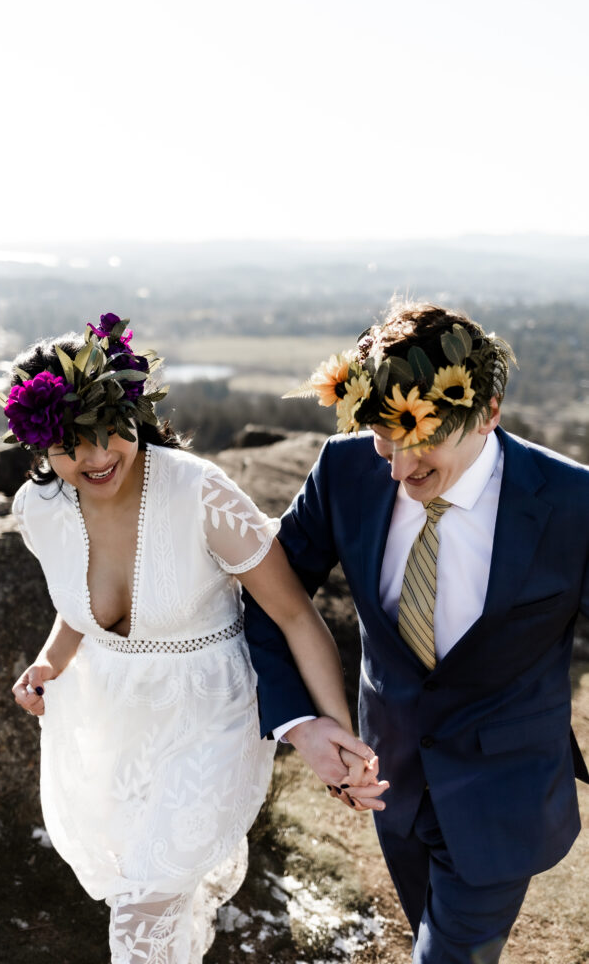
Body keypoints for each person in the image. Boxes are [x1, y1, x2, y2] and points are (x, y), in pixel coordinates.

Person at [0, 312, 386, 964]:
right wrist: (46, 666)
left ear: (132, 411)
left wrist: (333, 727)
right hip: (108, 722)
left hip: (211, 717)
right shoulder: (37, 512)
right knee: (144, 887)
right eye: (70, 444)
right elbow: (77, 611)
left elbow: (293, 614)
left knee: (140, 910)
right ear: (38, 445)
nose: (94, 458)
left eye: (105, 433)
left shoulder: (199, 492)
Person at [243, 300, 589, 964]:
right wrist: (300, 724)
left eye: (418, 442)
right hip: (388, 780)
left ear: (486, 410)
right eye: (383, 441)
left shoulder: (573, 504)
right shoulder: (343, 473)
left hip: (504, 794)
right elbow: (266, 602)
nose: (397, 471)